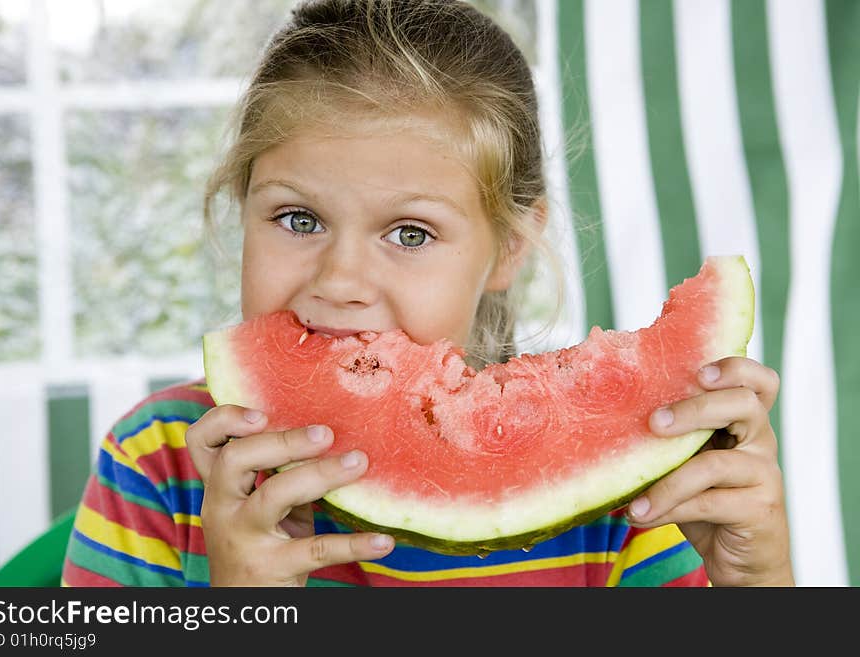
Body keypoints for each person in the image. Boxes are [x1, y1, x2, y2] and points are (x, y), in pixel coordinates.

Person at [61, 0, 793, 587]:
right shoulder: (157, 464)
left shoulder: (629, 501)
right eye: (298, 218)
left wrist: (756, 583)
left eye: (409, 233)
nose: (340, 280)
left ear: (507, 246)